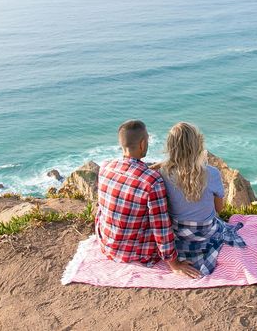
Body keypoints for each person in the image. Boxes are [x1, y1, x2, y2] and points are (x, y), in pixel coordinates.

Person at [95, 119, 200, 278]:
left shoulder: (105, 167)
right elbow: (161, 227)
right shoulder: (152, 181)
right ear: (143, 144)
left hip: (107, 245)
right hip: (134, 253)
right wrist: (174, 264)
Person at [157, 122, 246, 276]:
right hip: (205, 232)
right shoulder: (211, 173)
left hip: (177, 234)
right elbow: (219, 209)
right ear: (198, 145)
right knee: (219, 224)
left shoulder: (162, 173)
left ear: (170, 147)